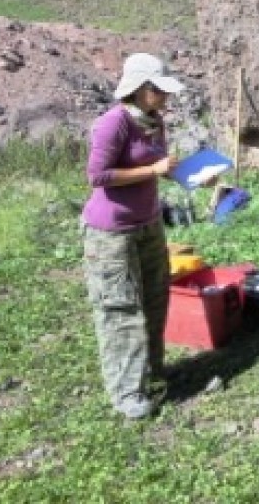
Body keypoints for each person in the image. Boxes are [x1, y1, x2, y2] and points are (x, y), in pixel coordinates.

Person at [81, 53, 185, 420]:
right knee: (121, 309)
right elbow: (98, 176)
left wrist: (179, 172)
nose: (165, 98)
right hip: (112, 233)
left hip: (149, 224)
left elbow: (156, 166)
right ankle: (127, 393)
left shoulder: (155, 122)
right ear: (141, 89)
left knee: (156, 299)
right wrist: (151, 169)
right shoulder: (113, 123)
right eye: (160, 91)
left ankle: (153, 375)